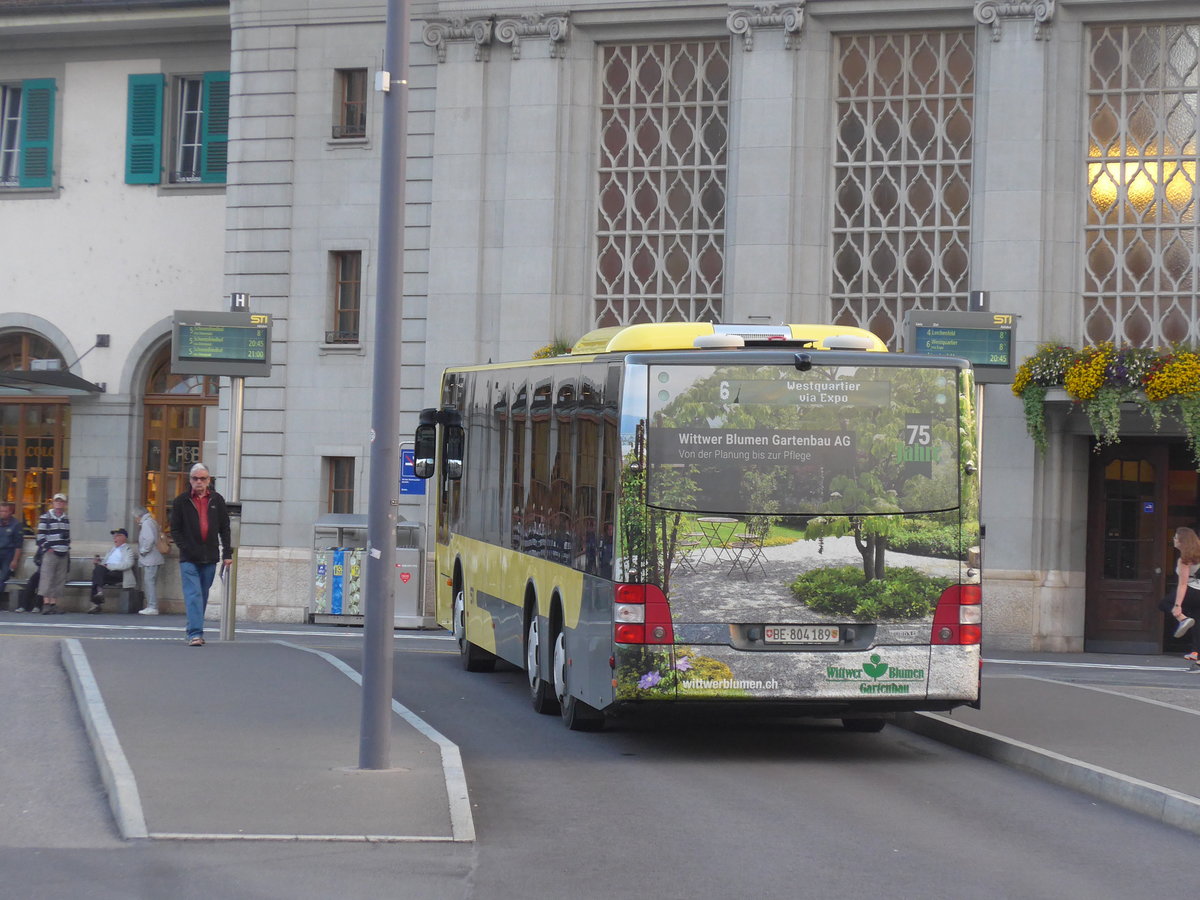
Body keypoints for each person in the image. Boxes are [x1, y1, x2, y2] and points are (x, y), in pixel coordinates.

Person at [169, 463, 232, 646]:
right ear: (190, 480)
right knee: (194, 594)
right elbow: (175, 529)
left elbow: (225, 528)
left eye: (202, 478)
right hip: (189, 557)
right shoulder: (181, 501)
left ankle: (192, 629)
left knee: (202, 595)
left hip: (210, 556)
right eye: (195, 478)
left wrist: (227, 553)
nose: (199, 482)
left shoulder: (217, 500)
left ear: (208, 480)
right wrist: (185, 547)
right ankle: (195, 634)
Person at [1160, 526, 1200, 660]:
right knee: (1197, 621)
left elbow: (1183, 584)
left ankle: (1183, 619)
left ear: (1182, 541)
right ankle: (1196, 653)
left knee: (1165, 603)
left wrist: (1178, 606)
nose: (1174, 539)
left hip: (1191, 590)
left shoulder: (1184, 559)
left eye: (1176, 538)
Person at [36, 493, 70, 615]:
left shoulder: (66, 518)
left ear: (65, 504)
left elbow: (68, 535)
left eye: (61, 502)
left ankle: (54, 604)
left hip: (63, 552)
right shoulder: (46, 517)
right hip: (51, 552)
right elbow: (40, 537)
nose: (59, 504)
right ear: (53, 503)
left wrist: (66, 546)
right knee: (47, 578)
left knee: (59, 579)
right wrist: (48, 548)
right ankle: (46, 604)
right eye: (57, 501)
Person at [89, 527, 136, 613]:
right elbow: (105, 563)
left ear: (124, 538)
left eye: (118, 536)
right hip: (107, 572)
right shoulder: (112, 550)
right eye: (114, 536)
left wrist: (109, 566)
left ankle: (97, 603)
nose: (115, 538)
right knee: (97, 572)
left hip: (118, 573)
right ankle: (99, 595)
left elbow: (128, 564)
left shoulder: (128, 550)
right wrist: (99, 562)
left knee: (97, 575)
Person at [133, 506, 165, 615]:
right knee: (150, 582)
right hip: (154, 558)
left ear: (138, 516)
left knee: (149, 582)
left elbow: (149, 539)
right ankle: (151, 605)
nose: (135, 519)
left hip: (150, 558)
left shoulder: (146, 523)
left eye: (135, 517)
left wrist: (143, 551)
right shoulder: (151, 521)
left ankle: (152, 606)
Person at [0, 501, 24, 611]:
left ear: (10, 512)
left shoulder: (16, 525)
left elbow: (18, 545)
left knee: (3, 578)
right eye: (1, 511)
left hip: (8, 553)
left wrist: (15, 560)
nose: (2, 513)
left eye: (5, 511)